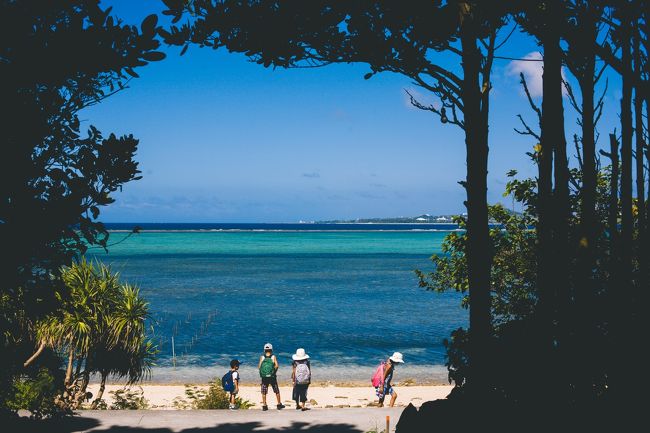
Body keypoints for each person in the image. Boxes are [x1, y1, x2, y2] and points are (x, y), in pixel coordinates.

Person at [258, 343, 285, 411]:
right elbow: (277, 366)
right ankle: (279, 404)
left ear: (264, 350)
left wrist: (263, 373)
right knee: (276, 390)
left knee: (264, 391)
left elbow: (259, 367)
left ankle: (264, 405)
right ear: (271, 350)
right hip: (272, 377)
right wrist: (273, 372)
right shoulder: (273, 357)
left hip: (264, 378)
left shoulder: (262, 357)